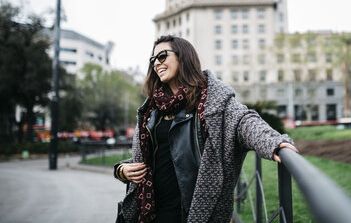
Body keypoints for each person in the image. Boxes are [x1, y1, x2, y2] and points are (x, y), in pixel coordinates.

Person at [114, 35, 296, 223]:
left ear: (183, 57)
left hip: (193, 212)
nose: (156, 64)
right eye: (153, 60)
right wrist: (121, 170)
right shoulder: (151, 109)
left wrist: (273, 142)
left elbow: (244, 120)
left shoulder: (213, 101)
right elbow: (156, 158)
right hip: (151, 212)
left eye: (162, 56)